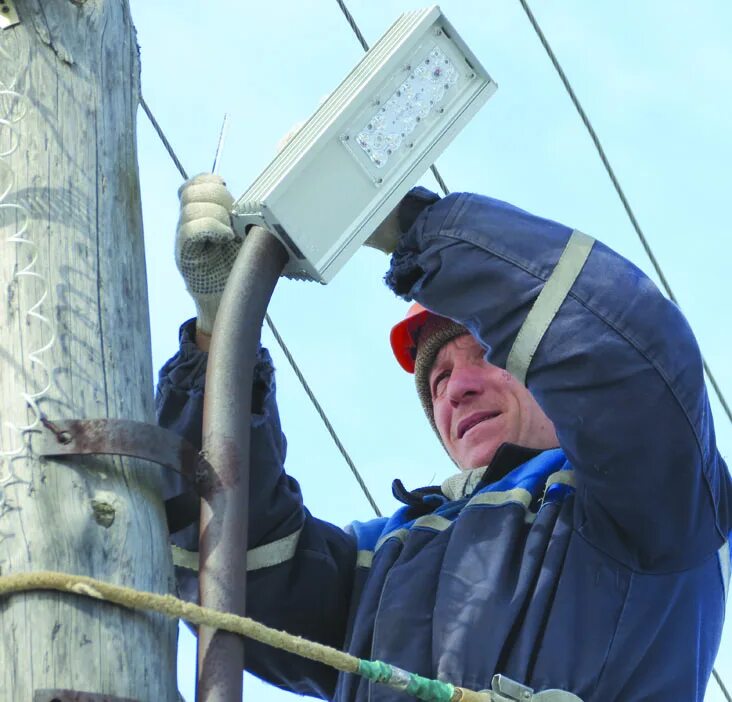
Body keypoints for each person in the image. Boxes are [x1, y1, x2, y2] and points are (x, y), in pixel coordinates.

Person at [157, 173, 731, 702]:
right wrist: (220, 339)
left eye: (482, 356)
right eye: (437, 379)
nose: (455, 390)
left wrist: (407, 225)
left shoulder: (646, 500)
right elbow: (230, 555)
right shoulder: (385, 560)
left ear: (542, 364)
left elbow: (631, 360)